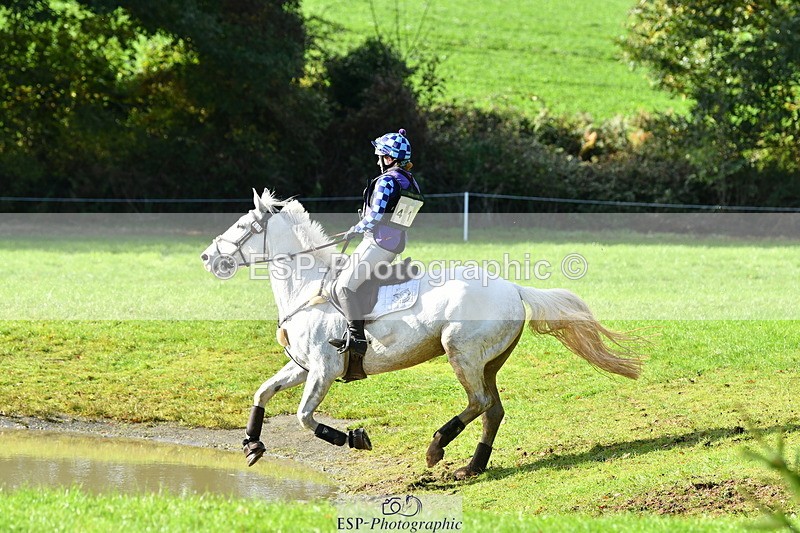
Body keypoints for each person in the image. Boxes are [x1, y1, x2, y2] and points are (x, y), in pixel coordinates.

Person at [330, 128, 423, 381]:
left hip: (378, 243)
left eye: (380, 156)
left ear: (389, 158)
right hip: (394, 243)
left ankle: (357, 341)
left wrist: (353, 230)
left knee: (343, 286)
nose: (377, 161)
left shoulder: (387, 181)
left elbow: (374, 217)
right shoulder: (409, 180)